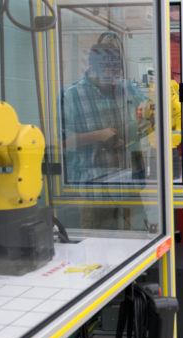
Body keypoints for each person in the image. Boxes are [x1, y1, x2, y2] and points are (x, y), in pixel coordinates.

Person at [60, 33, 152, 229]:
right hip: (94, 190)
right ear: (92, 67)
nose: (113, 81)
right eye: (107, 74)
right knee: (97, 245)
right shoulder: (72, 95)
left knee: (137, 240)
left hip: (128, 185)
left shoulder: (125, 87)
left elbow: (150, 117)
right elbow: (62, 142)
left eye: (116, 73)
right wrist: (97, 136)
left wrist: (129, 136)